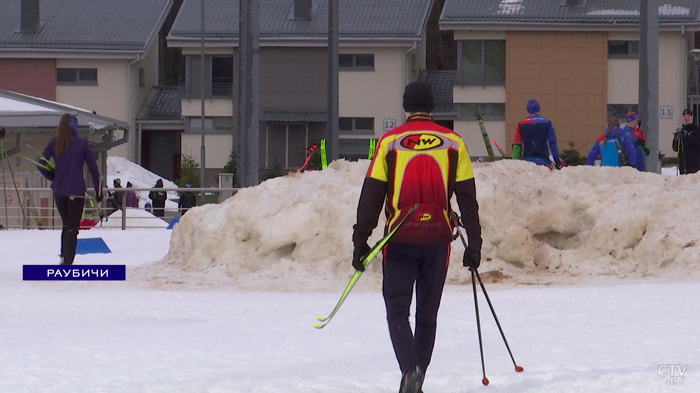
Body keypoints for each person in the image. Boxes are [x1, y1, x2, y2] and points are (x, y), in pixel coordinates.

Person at [352, 82, 482, 393]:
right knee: (428, 314)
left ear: (406, 106)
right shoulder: (454, 143)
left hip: (399, 238)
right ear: (432, 107)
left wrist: (360, 240)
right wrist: (475, 244)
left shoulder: (390, 141)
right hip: (437, 240)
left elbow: (371, 194)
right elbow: (467, 196)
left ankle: (409, 371)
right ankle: (418, 378)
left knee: (397, 309)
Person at [36, 113, 102, 265]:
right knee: (72, 228)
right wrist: (98, 189)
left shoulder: (55, 143)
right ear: (75, 126)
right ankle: (67, 263)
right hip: (77, 191)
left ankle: (63, 256)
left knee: (66, 225)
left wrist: (52, 175)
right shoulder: (82, 143)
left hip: (59, 191)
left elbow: (40, 163)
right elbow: (93, 168)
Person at [512, 99, 561, 168]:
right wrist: (557, 161)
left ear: (527, 109)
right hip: (543, 161)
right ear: (539, 108)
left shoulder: (521, 125)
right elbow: (553, 144)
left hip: (527, 161)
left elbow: (517, 146)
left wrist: (513, 163)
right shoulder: (547, 123)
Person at [672, 108, 700, 174]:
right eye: (685, 116)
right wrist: (675, 139)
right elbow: (675, 148)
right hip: (683, 164)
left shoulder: (697, 130)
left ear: (692, 117)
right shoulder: (681, 130)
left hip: (695, 163)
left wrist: (687, 136)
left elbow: (697, 143)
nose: (686, 118)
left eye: (688, 116)